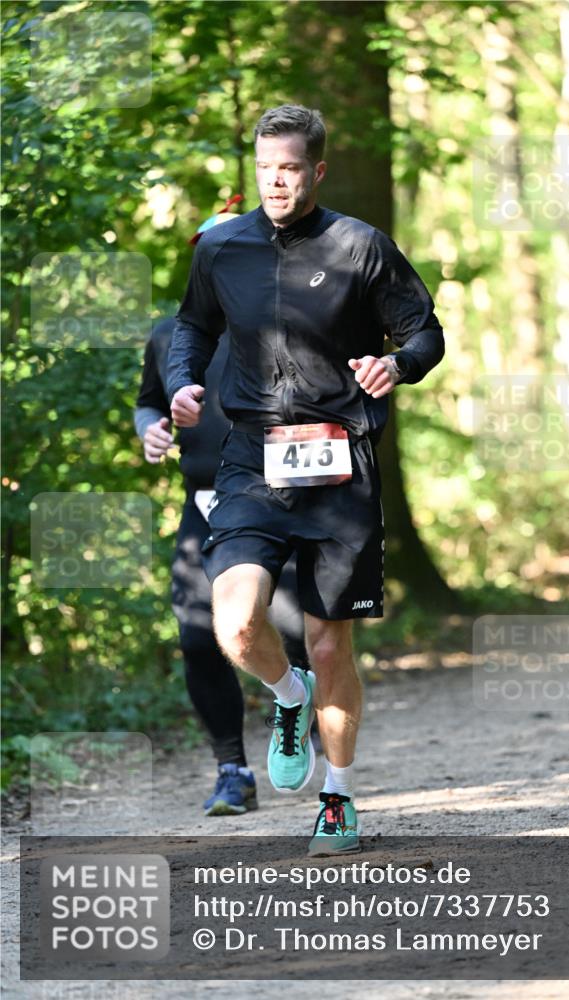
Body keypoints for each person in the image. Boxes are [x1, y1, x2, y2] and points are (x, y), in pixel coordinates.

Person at [167, 104, 444, 855]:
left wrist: (398, 363)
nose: (276, 182)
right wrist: (182, 382)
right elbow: (191, 326)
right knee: (234, 626)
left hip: (338, 467)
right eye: (264, 169)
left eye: (289, 169)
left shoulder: (361, 247)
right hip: (252, 462)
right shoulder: (222, 249)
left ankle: (337, 799)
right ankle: (287, 697)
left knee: (331, 649)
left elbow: (423, 328)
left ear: (316, 169)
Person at [135, 306, 310, 816]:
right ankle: (232, 770)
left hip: (279, 499)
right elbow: (148, 404)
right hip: (205, 505)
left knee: (295, 627)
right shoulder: (169, 335)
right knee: (197, 635)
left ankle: (301, 721)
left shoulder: (287, 322)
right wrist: (151, 430)